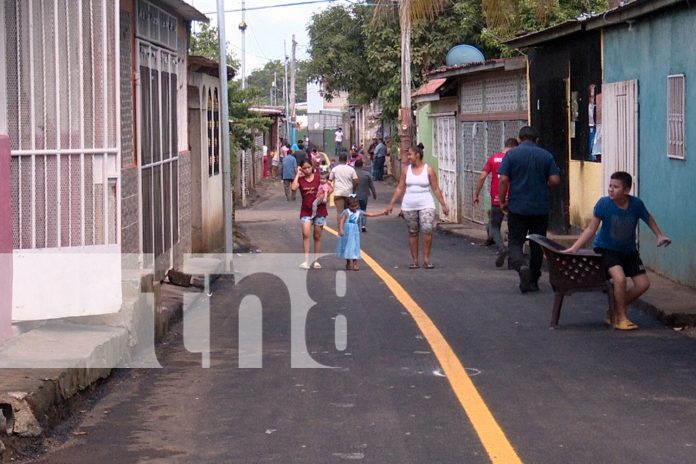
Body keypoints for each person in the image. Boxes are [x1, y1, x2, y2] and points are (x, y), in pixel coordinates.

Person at [563, 171, 671, 330]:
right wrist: (574, 248)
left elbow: (648, 218)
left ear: (626, 190)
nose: (611, 190)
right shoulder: (603, 204)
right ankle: (621, 317)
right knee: (619, 279)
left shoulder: (636, 204)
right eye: (610, 186)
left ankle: (612, 310)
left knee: (643, 284)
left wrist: (659, 235)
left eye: (616, 187)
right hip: (606, 249)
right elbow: (591, 230)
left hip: (628, 250)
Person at [498, 126, 561, 293]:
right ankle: (533, 280)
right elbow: (555, 180)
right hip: (540, 207)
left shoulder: (511, 155)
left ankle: (521, 266)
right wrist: (543, 183)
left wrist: (502, 201)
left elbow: (503, 180)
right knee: (537, 244)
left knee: (516, 242)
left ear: (519, 139)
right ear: (537, 140)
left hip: (517, 206)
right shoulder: (546, 155)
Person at [385, 144, 449, 269]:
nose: (408, 157)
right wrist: (391, 204)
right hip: (409, 205)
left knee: (427, 230)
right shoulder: (406, 170)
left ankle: (426, 259)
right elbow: (400, 187)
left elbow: (435, 188)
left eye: (410, 154)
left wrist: (443, 205)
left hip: (426, 204)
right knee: (413, 232)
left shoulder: (428, 170)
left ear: (417, 155)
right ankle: (415, 260)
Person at [473, 138, 519, 267]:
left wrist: (476, 194)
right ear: (515, 147)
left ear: (505, 146)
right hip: (514, 199)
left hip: (497, 199)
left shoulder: (493, 158)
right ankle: (512, 259)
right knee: (514, 228)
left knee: (494, 225)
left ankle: (501, 247)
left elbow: (482, 176)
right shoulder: (515, 159)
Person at [291, 160, 329, 269]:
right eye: (304, 168)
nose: (307, 170)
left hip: (319, 210)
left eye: (309, 167)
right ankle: (306, 261)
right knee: (306, 234)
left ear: (312, 167)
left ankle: (316, 260)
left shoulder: (318, 178)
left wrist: (323, 197)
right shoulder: (301, 179)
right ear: (301, 169)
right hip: (306, 211)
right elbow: (293, 188)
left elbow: (329, 188)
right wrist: (297, 174)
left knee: (317, 236)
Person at [336, 195, 385, 271]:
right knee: (347, 247)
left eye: (355, 206)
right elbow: (341, 221)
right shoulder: (346, 212)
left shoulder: (359, 212)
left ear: (358, 205)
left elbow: (370, 214)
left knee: (355, 247)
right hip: (347, 232)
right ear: (348, 206)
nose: (354, 208)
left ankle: (355, 264)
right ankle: (348, 261)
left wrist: (382, 213)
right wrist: (341, 230)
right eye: (352, 206)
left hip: (355, 232)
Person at [329, 152, 358, 222]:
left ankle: (340, 229)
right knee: (348, 211)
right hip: (348, 193)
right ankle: (347, 226)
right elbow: (356, 181)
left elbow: (330, 180)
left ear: (339, 159)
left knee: (339, 212)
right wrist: (352, 188)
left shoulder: (335, 169)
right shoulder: (351, 169)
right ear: (347, 160)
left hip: (338, 193)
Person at [354, 159, 376, 232]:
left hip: (355, 195)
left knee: (356, 210)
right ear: (362, 165)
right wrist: (374, 194)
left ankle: (357, 225)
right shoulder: (367, 174)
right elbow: (371, 185)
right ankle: (363, 225)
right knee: (363, 210)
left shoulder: (353, 174)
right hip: (364, 195)